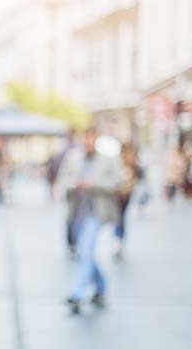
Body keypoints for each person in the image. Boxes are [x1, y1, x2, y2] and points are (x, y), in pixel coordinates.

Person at [58, 127, 121, 314]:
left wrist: (95, 184)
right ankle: (101, 286)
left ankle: (76, 294)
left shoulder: (108, 160)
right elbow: (62, 180)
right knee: (85, 253)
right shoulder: (73, 158)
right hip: (77, 212)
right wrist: (73, 184)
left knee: (84, 252)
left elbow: (117, 182)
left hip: (96, 213)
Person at [114, 143, 141, 261]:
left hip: (124, 196)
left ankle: (118, 240)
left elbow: (136, 178)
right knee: (118, 219)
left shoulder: (131, 164)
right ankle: (118, 239)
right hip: (118, 195)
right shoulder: (119, 162)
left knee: (120, 218)